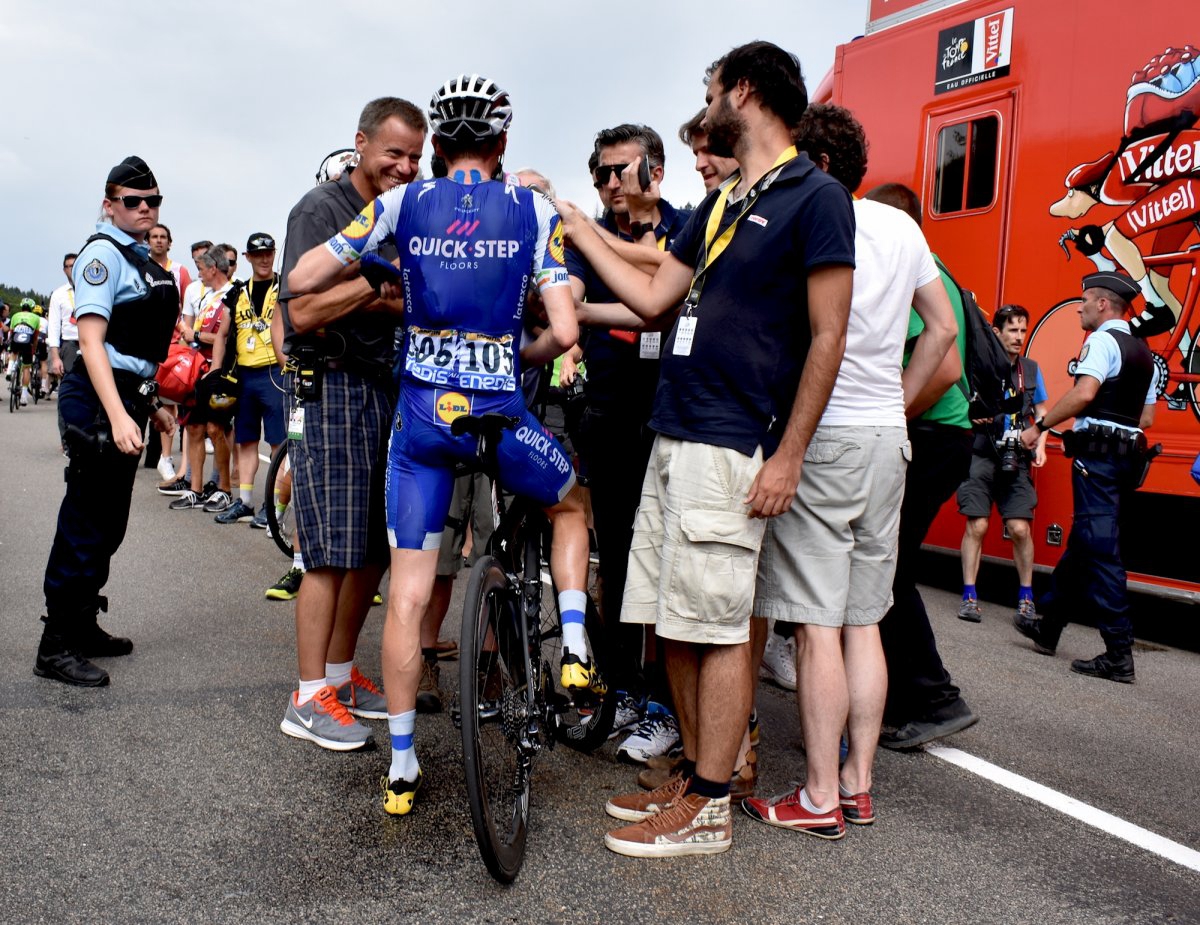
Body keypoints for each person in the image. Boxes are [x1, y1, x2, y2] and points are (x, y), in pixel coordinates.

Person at [557, 41, 856, 857]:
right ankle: (695, 776)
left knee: (720, 626)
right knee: (678, 623)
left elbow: (829, 334)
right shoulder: (724, 200)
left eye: (714, 89)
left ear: (746, 91)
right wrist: (580, 232)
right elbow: (655, 295)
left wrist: (789, 455)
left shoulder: (815, 195)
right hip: (675, 428)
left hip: (735, 439)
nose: (707, 102)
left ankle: (712, 804)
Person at [289, 73, 594, 817]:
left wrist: (380, 276)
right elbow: (564, 328)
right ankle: (578, 646)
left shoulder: (400, 203)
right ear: (501, 144)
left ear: (440, 146)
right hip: (499, 415)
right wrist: (517, 353)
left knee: (410, 592)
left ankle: (399, 763)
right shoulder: (531, 208)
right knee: (572, 503)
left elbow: (300, 279)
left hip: (422, 425)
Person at [743, 104, 957, 839]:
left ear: (817, 163)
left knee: (814, 625)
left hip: (824, 433)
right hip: (885, 442)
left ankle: (818, 794)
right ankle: (860, 785)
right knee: (867, 618)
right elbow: (945, 329)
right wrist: (898, 401)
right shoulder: (902, 228)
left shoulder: (814, 216)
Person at [276, 97, 426, 755]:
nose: (405, 166)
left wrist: (387, 294)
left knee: (368, 546)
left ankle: (338, 675)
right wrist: (370, 286)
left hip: (378, 385)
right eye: (394, 152)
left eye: (415, 156)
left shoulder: (395, 216)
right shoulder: (321, 210)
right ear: (361, 143)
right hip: (328, 384)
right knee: (328, 551)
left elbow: (402, 299)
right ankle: (308, 696)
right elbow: (301, 311)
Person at [565, 123, 692, 765]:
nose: (609, 182)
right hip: (610, 412)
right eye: (599, 171)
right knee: (615, 560)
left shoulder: (689, 225)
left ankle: (668, 705)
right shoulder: (584, 239)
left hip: (673, 414)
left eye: (620, 169)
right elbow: (574, 297)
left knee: (671, 563)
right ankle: (624, 691)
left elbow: (668, 302)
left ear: (654, 171)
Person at [34, 156, 178, 687]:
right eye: (133, 201)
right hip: (98, 398)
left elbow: (134, 347)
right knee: (86, 521)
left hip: (125, 395)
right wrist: (117, 415)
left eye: (153, 201)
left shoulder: (138, 258)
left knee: (109, 523)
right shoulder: (103, 254)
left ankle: (83, 624)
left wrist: (152, 403)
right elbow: (92, 344)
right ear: (109, 204)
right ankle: (55, 645)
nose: (145, 209)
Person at [864, 181, 980, 752]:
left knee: (885, 568)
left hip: (931, 435)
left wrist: (891, 415)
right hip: (942, 437)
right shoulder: (936, 267)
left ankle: (934, 697)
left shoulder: (910, 265)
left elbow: (943, 364)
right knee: (888, 565)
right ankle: (906, 695)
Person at [1013, 271, 1157, 683]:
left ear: (1102, 305)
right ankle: (1049, 626)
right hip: (1126, 460)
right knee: (1084, 544)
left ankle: (1118, 652)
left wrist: (1038, 427)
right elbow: (1146, 418)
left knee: (1101, 549)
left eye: (1084, 301)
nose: (1079, 307)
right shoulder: (1144, 352)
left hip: (1096, 457)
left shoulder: (1100, 341)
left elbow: (1084, 393)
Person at [956, 304, 1049, 623]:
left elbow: (1042, 413)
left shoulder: (1032, 370)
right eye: (1013, 330)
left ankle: (1026, 598)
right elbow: (958, 405)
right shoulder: (978, 367)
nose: (1019, 337)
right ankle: (969, 595)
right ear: (997, 332)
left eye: (1023, 330)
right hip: (981, 454)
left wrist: (1042, 445)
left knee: (1020, 529)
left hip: (1016, 458)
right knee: (977, 525)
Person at [214, 233, 286, 527]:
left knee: (278, 445)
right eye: (258, 255)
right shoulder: (237, 292)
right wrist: (216, 371)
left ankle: (274, 507)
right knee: (245, 441)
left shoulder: (285, 286)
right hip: (244, 374)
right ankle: (244, 501)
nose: (265, 259)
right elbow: (221, 334)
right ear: (247, 258)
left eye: (268, 253)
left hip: (275, 374)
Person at [168, 246, 235, 513]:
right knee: (194, 429)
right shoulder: (207, 295)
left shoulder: (233, 293)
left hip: (219, 372)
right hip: (197, 370)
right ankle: (195, 488)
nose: (199, 275)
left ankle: (225, 489)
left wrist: (193, 334)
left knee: (215, 429)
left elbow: (225, 337)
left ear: (213, 269)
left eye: (201, 270)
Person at [47, 254, 79, 443]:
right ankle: (67, 440)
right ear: (64, 270)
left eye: (74, 265)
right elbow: (54, 327)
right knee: (68, 392)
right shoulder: (59, 294)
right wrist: (55, 356)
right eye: (68, 266)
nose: (71, 269)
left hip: (93, 344)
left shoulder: (93, 287)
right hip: (70, 344)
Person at [8, 298, 43, 406]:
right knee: (26, 367)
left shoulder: (15, 316)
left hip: (16, 338)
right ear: (32, 308)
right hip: (27, 342)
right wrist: (34, 348)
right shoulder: (36, 318)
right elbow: (36, 337)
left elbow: (11, 332)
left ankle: (9, 370)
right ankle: (24, 396)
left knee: (14, 353)